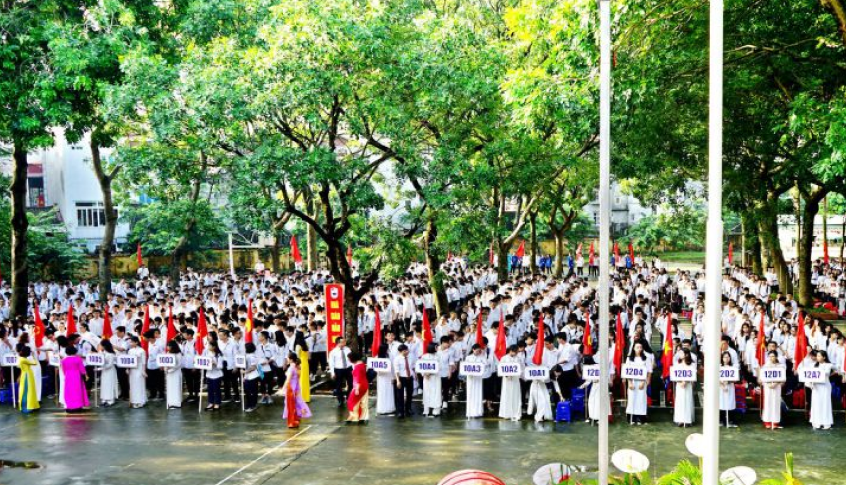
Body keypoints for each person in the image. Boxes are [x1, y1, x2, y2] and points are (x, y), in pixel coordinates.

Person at [625, 341, 652, 425]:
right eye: (637, 347)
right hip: (632, 381)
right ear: (633, 348)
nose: (639, 349)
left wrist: (645, 381)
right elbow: (627, 371)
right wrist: (629, 382)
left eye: (640, 347)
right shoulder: (629, 359)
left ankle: (641, 418)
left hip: (642, 382)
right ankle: (631, 418)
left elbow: (649, 371)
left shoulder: (646, 359)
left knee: (641, 399)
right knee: (632, 399)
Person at [281, 352, 311, 428]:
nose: (287, 359)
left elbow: (288, 379)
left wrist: (283, 388)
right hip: (295, 388)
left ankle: (292, 422)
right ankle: (295, 419)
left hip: (290, 388)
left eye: (288, 358)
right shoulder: (297, 367)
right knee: (295, 404)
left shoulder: (291, 368)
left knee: (290, 405)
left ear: (291, 359)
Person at [807, 350, 833, 430]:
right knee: (816, 404)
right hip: (816, 387)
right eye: (817, 356)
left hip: (825, 387)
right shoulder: (813, 365)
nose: (817, 357)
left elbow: (826, 373)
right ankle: (816, 423)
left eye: (819, 356)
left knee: (825, 404)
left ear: (824, 357)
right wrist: (810, 383)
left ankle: (826, 423)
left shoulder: (828, 365)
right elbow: (809, 375)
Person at [498, 345, 523, 421]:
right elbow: (500, 368)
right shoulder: (504, 358)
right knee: (506, 395)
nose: (516, 353)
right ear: (511, 351)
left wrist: (519, 374)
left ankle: (516, 413)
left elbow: (522, 368)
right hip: (507, 380)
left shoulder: (518, 359)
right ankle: (506, 414)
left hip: (515, 379)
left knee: (516, 396)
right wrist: (506, 375)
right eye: (515, 352)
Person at [61, 346, 89, 413]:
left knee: (69, 391)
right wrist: (85, 375)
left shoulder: (64, 360)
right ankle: (78, 406)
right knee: (77, 391)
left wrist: (66, 375)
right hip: (76, 376)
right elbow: (82, 369)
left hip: (68, 376)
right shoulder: (78, 359)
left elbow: (64, 370)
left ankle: (70, 406)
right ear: (74, 351)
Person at [760, 351, 783, 429]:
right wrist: (768, 383)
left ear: (776, 357)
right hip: (768, 387)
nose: (771, 358)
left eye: (773, 356)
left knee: (776, 403)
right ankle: (767, 421)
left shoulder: (780, 366)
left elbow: (782, 377)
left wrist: (776, 383)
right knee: (768, 402)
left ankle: (775, 421)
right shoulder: (765, 366)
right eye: (770, 356)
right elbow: (762, 377)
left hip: (777, 386)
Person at [672, 349, 695, 427]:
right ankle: (680, 420)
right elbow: (674, 375)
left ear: (686, 354)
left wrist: (686, 381)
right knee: (680, 401)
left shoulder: (691, 365)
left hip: (688, 385)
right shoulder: (677, 365)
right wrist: (680, 382)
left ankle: (687, 420)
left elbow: (692, 376)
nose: (680, 354)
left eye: (682, 353)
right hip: (679, 386)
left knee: (687, 400)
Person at [419, 343, 442, 417]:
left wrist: (430, 373)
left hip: (435, 377)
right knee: (427, 393)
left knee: (436, 393)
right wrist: (425, 373)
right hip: (426, 378)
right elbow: (420, 366)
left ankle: (436, 411)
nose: (437, 348)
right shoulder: (424, 356)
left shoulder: (438, 356)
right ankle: (426, 410)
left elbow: (439, 367)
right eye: (436, 347)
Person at [329, 337, 353, 407]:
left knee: (351, 384)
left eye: (345, 342)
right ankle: (340, 400)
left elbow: (351, 359)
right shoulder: (333, 352)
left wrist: (353, 368)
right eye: (342, 342)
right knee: (338, 386)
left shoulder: (348, 349)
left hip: (348, 368)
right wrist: (332, 373)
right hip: (338, 370)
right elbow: (331, 363)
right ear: (338, 343)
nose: (344, 343)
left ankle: (349, 397)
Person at [464, 344, 487, 418]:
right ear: (473, 350)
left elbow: (485, 365)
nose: (478, 352)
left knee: (478, 394)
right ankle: (470, 412)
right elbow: (465, 367)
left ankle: (478, 412)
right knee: (470, 394)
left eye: (479, 350)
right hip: (470, 378)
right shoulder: (468, 357)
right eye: (476, 350)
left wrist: (483, 355)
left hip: (478, 378)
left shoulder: (482, 357)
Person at [346, 352, 369, 424]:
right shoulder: (362, 364)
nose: (348, 360)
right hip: (365, 385)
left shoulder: (357, 367)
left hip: (359, 386)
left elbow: (358, 379)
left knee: (351, 402)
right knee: (363, 402)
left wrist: (357, 389)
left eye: (349, 358)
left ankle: (354, 417)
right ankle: (363, 417)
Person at [17, 346, 40, 414]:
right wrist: (33, 356)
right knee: (27, 391)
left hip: (28, 375)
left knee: (30, 390)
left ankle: (33, 406)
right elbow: (35, 363)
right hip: (27, 376)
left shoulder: (23, 359)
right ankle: (27, 407)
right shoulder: (23, 359)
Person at [393, 343, 414, 418]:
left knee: (410, 394)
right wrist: (398, 381)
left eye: (407, 350)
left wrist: (414, 375)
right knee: (400, 396)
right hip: (401, 378)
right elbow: (396, 371)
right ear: (400, 352)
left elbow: (412, 367)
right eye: (404, 351)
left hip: (410, 377)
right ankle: (400, 412)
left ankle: (408, 409)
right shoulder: (397, 359)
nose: (406, 352)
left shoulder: (410, 357)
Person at [374, 343, 396, 416]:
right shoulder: (377, 357)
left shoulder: (389, 356)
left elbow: (393, 367)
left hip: (386, 376)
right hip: (383, 376)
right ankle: (383, 408)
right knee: (383, 392)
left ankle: (388, 408)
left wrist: (393, 377)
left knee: (387, 392)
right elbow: (374, 367)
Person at [127, 336, 147, 409]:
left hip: (139, 369)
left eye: (132, 342)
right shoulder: (130, 351)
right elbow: (128, 361)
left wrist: (144, 371)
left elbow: (144, 362)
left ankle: (141, 401)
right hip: (132, 370)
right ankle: (133, 401)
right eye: (130, 342)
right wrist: (127, 368)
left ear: (136, 342)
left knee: (139, 385)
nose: (131, 343)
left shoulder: (141, 350)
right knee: (133, 385)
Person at [719, 351, 738, 427]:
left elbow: (736, 379)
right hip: (721, 388)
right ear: (722, 358)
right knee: (722, 403)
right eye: (724, 357)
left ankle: (730, 421)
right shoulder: (719, 367)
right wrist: (722, 386)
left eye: (727, 357)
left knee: (730, 403)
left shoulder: (733, 368)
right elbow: (717, 378)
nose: (726, 359)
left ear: (730, 358)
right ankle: (722, 420)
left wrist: (729, 381)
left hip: (730, 387)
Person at [204, 339, 224, 411]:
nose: (208, 347)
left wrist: (214, 363)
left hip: (217, 375)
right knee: (210, 390)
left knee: (216, 389)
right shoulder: (207, 353)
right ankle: (211, 402)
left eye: (210, 345)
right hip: (209, 374)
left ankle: (217, 403)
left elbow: (220, 367)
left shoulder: (219, 355)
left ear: (214, 347)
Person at [99, 339, 119, 407]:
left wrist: (101, 368)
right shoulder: (103, 352)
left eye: (101, 345)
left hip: (110, 371)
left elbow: (110, 365)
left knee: (109, 385)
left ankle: (111, 400)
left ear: (104, 346)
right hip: (104, 371)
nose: (100, 346)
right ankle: (104, 399)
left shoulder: (111, 354)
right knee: (104, 385)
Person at [164, 341, 183, 410]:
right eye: (167, 346)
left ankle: (177, 403)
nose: (167, 347)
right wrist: (166, 369)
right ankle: (170, 402)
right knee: (170, 387)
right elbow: (165, 362)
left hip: (176, 373)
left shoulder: (178, 354)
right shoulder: (167, 353)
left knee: (176, 387)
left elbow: (179, 364)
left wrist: (171, 369)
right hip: (169, 374)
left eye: (169, 346)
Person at [243, 342, 260, 412]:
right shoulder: (247, 355)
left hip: (253, 376)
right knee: (247, 392)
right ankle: (249, 405)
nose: (244, 349)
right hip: (248, 376)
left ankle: (253, 405)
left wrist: (245, 372)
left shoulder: (252, 356)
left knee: (252, 392)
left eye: (245, 348)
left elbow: (253, 367)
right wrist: (245, 376)